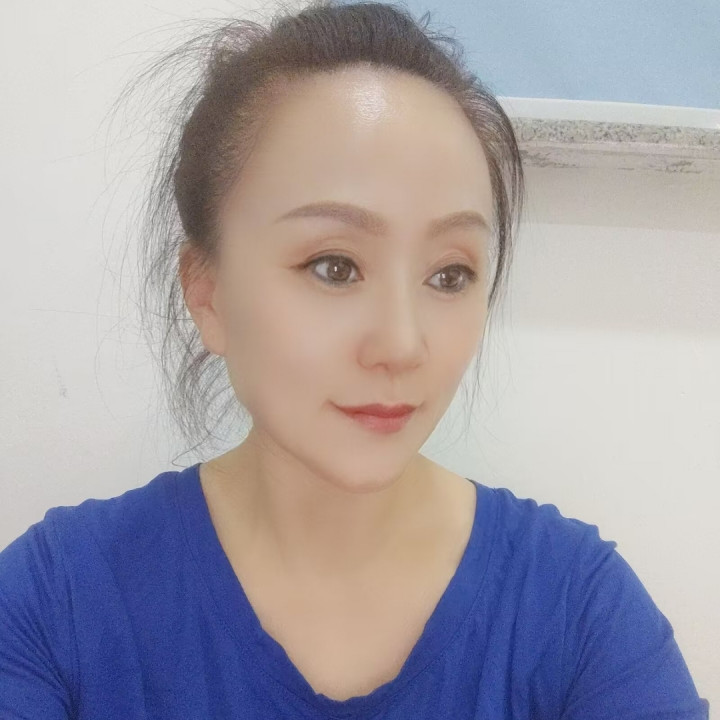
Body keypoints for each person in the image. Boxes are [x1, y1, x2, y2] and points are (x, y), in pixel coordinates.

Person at [0, 1, 710, 717]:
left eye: (450, 275)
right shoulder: (57, 604)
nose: (402, 344)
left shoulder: (578, 610)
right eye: (334, 267)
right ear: (207, 293)